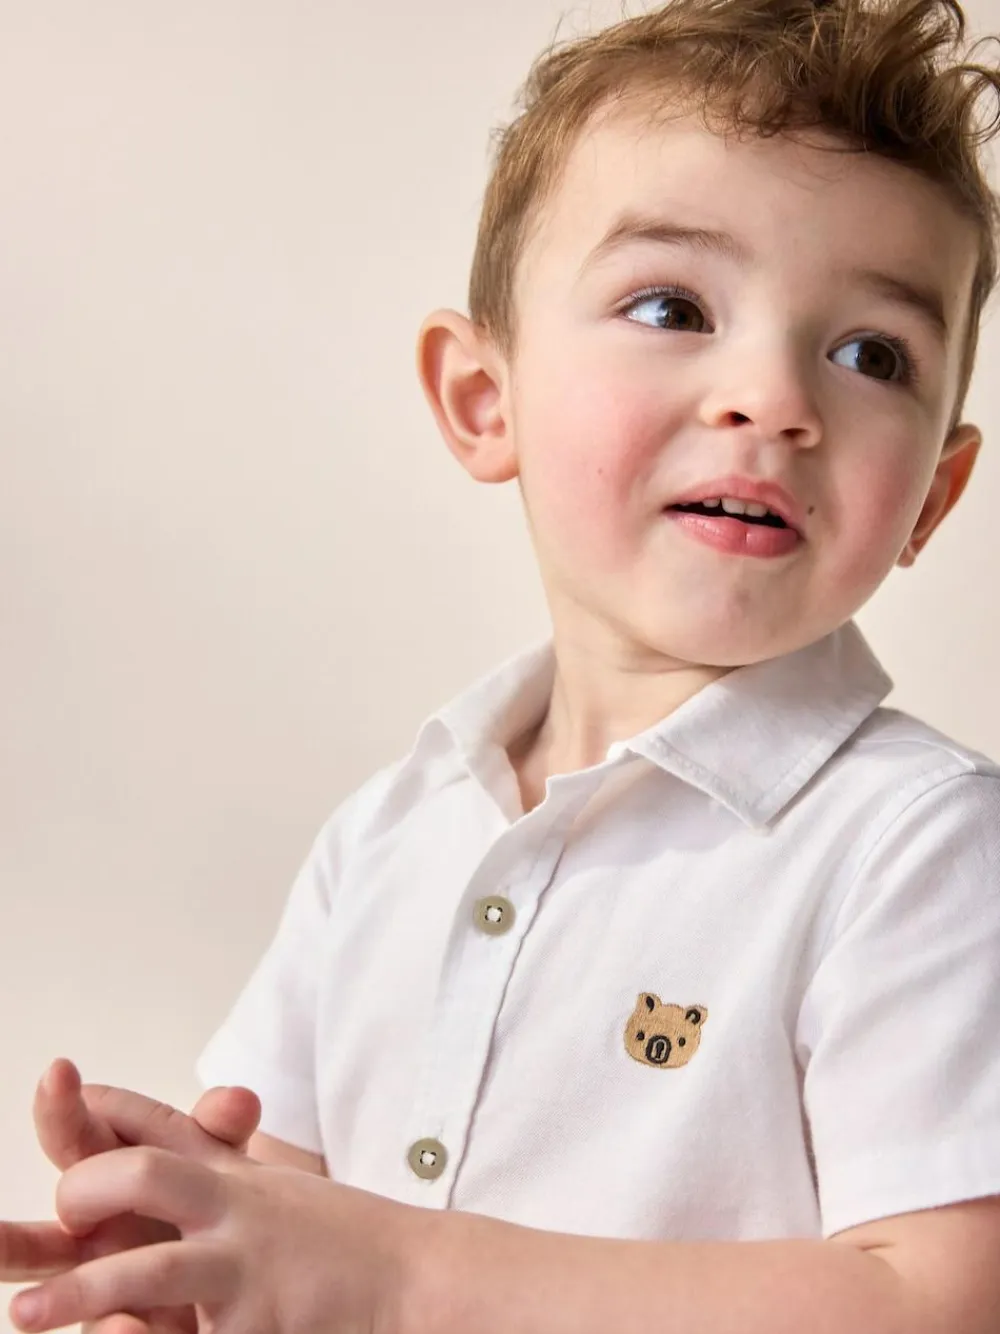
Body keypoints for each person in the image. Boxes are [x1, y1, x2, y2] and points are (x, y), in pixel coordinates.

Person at [4, 0, 1000, 1330]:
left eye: (872, 353)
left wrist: (400, 1274)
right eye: (674, 306)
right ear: (485, 400)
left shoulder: (921, 849)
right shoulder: (391, 835)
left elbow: (945, 1297)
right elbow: (303, 1217)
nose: (773, 399)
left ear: (933, 496)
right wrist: (204, 1268)